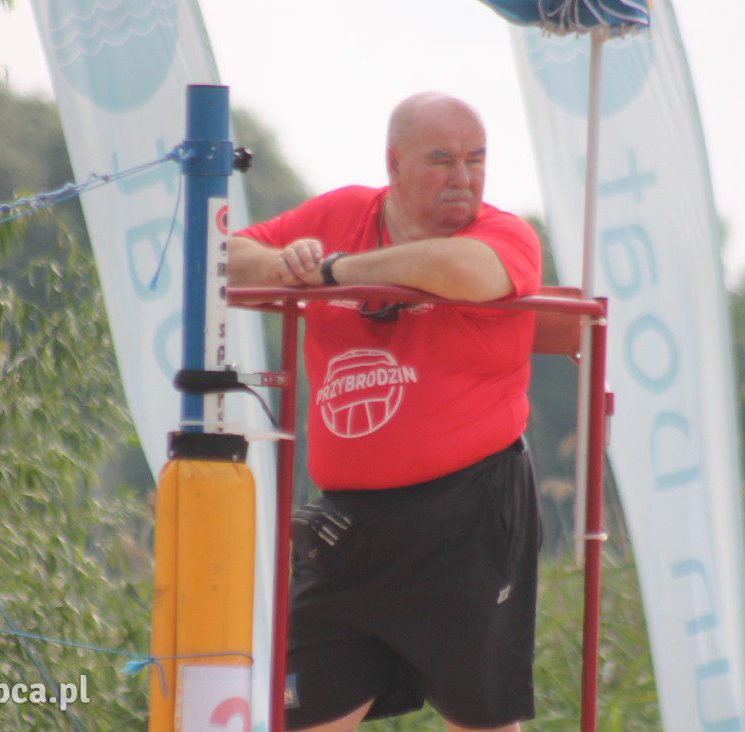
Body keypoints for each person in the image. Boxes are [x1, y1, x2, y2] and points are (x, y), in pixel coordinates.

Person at [226, 92, 542, 731]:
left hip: (468, 514)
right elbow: (226, 258)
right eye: (441, 160)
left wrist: (336, 272)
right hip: (350, 526)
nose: (463, 177)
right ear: (393, 165)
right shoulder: (342, 210)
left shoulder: (501, 232)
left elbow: (467, 272)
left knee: (482, 722)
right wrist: (292, 266)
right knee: (297, 716)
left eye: (476, 160)